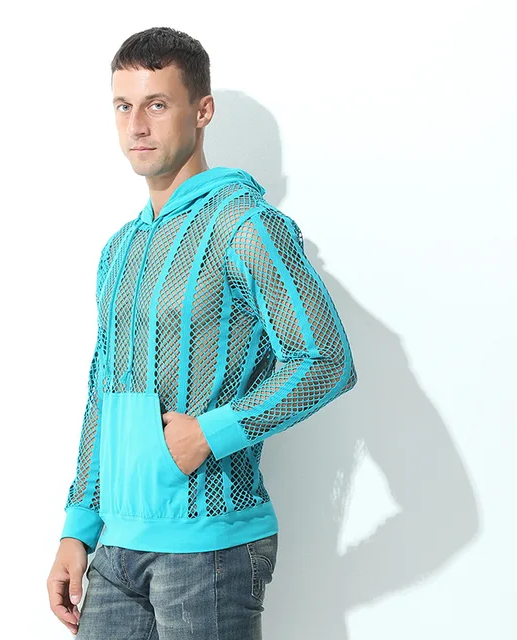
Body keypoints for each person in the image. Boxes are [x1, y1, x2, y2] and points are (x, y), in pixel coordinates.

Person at [47, 26, 358, 639]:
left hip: (210, 552)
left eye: (157, 104)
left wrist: (210, 434)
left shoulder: (248, 226)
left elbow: (325, 360)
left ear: (202, 110)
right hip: (115, 547)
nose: (137, 125)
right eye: (123, 106)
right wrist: (77, 528)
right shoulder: (119, 249)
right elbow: (101, 391)